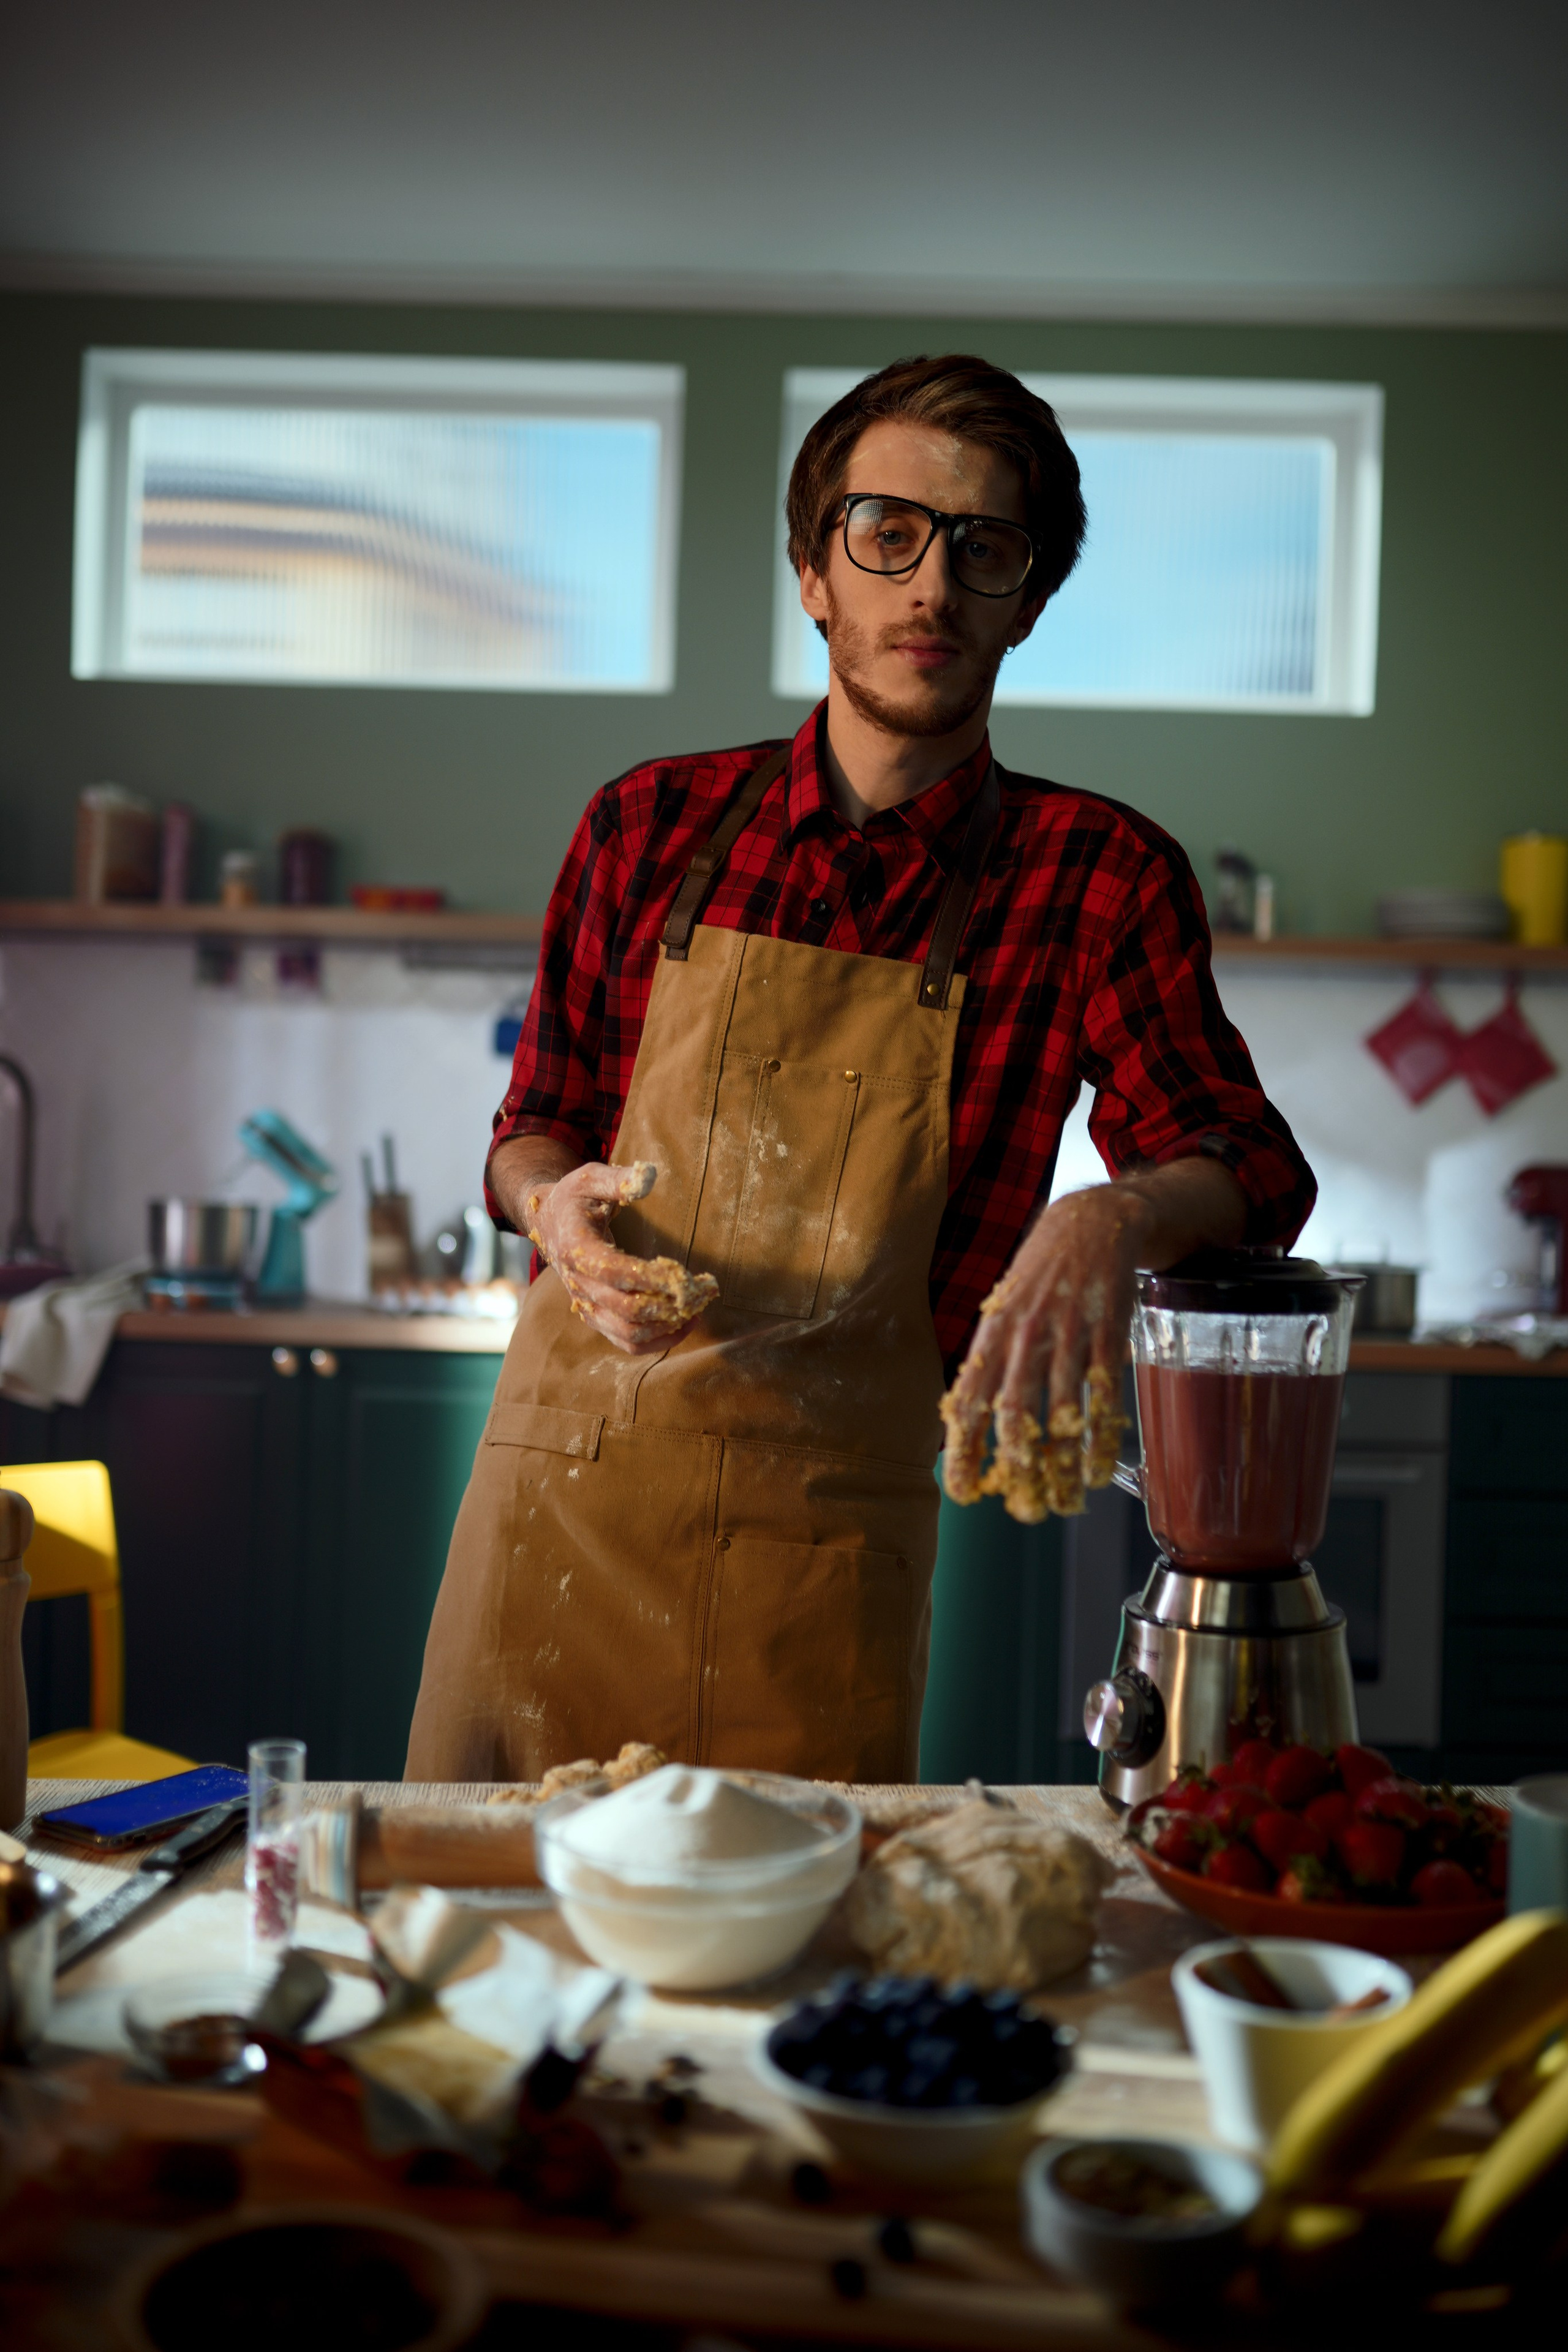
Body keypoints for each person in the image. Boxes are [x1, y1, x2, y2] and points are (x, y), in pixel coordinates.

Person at [405, 353, 1314, 1785]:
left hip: (819, 1541)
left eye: (984, 549)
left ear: (1027, 601)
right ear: (814, 570)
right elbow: (538, 1123)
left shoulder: (1093, 875)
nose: (931, 587)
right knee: (486, 1938)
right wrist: (548, 1208)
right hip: (566, 1494)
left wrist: (1107, 1212)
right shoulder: (643, 825)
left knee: (793, 1956)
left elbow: (1251, 1166)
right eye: (886, 532)